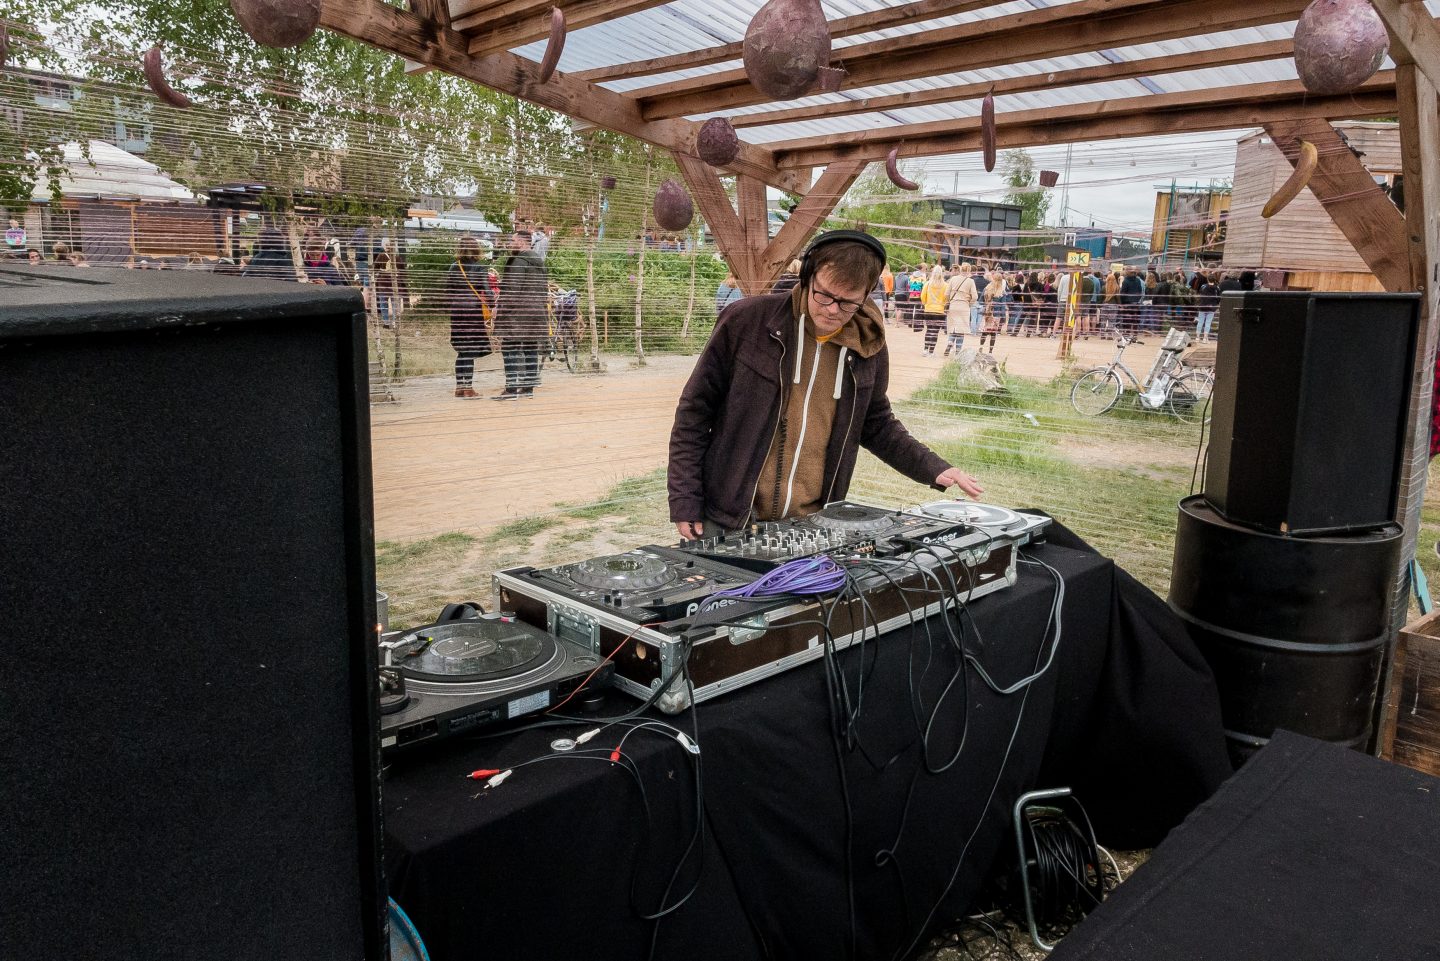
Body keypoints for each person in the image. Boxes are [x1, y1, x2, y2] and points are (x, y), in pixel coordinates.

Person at [668, 230, 983, 538]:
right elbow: (694, 413)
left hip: (813, 524)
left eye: (848, 303)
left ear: (866, 294)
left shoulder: (867, 346)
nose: (833, 310)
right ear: (807, 276)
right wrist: (685, 500)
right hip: (727, 516)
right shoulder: (746, 322)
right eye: (825, 295)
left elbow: (876, 424)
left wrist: (932, 467)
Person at [491, 226, 550, 400]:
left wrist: (499, 308)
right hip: (535, 313)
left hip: (517, 315)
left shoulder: (519, 262)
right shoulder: (539, 262)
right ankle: (527, 389)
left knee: (509, 348)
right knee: (530, 349)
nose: (510, 244)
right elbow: (543, 289)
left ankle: (511, 389)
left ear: (522, 242)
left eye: (512, 241)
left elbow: (512, 290)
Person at [446, 236, 497, 399]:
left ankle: (459, 387)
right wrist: (492, 305)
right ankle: (468, 388)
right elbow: (487, 290)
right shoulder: (479, 267)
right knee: (468, 350)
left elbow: (448, 291)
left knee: (462, 350)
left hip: (457, 311)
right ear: (476, 249)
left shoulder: (454, 267)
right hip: (472, 311)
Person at [943, 263, 978, 357]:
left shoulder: (953, 279)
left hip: (953, 305)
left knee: (953, 327)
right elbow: (975, 296)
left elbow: (946, 293)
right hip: (964, 306)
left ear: (961, 270)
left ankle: (950, 342)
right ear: (969, 271)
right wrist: (969, 303)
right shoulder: (970, 281)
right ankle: (958, 351)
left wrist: (948, 302)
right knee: (961, 329)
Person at [920, 265, 948, 355]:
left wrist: (925, 303)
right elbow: (946, 298)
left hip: (928, 310)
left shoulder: (928, 284)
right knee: (935, 331)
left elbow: (922, 296)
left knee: (929, 329)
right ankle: (931, 351)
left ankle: (925, 349)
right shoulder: (945, 285)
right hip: (939, 311)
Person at [979, 271, 1004, 353]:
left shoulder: (987, 288)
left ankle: (981, 347)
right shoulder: (1001, 292)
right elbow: (1002, 305)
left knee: (984, 332)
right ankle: (990, 351)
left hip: (987, 313)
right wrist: (1003, 316)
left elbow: (980, 301)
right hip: (996, 314)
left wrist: (987, 304)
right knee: (993, 334)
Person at [1195, 270, 1220, 343]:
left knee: (1200, 322)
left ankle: (1197, 337)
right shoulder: (1217, 288)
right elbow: (1218, 298)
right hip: (1211, 307)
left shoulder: (1203, 286)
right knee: (1208, 323)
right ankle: (1205, 338)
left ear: (1207, 279)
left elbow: (1200, 295)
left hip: (1202, 306)